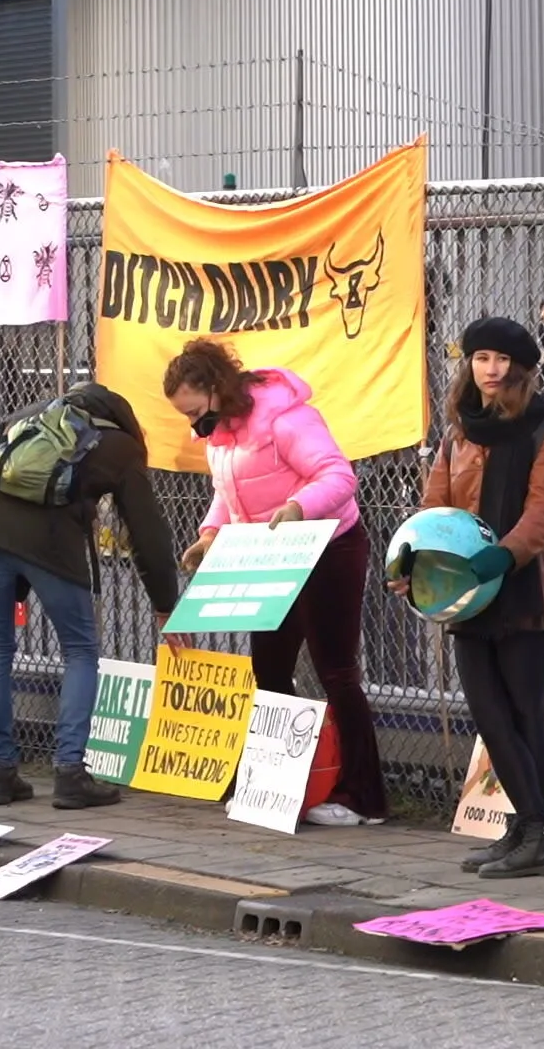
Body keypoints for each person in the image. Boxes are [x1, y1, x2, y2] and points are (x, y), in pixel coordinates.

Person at [164, 339, 390, 826]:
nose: (193, 424)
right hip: (270, 556)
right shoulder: (220, 435)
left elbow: (338, 476)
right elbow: (229, 494)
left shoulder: (285, 418)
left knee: (336, 670)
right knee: (268, 669)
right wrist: (209, 535)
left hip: (328, 546)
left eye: (196, 410)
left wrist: (298, 508)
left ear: (216, 388)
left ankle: (363, 796)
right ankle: (275, 783)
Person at [391, 316, 544, 878]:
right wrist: (412, 560)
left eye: (502, 361)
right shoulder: (457, 432)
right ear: (468, 364)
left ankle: (538, 834)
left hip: (522, 591)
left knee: (524, 716)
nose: (491, 370)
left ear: (522, 369)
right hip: (465, 592)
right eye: (481, 358)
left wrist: (504, 555)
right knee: (489, 715)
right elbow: (435, 506)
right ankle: (526, 827)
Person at [0, 383, 186, 809]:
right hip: (51, 546)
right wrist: (163, 603)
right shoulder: (119, 445)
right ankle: (69, 772)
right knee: (80, 650)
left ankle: (0, 772)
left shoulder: (23, 415)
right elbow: (146, 533)